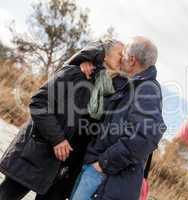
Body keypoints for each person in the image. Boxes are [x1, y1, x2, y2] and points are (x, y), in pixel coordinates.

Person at [0, 39, 124, 200]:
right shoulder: (76, 73)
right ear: (105, 54)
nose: (122, 58)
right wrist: (58, 139)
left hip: (60, 164)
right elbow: (39, 103)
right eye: (119, 54)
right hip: (38, 152)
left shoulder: (99, 81)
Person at [70, 36, 167, 200]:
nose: (121, 57)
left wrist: (104, 163)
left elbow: (145, 136)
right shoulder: (131, 84)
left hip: (105, 176)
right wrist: (86, 64)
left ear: (132, 59)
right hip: (99, 172)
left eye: (124, 54)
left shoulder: (146, 89)